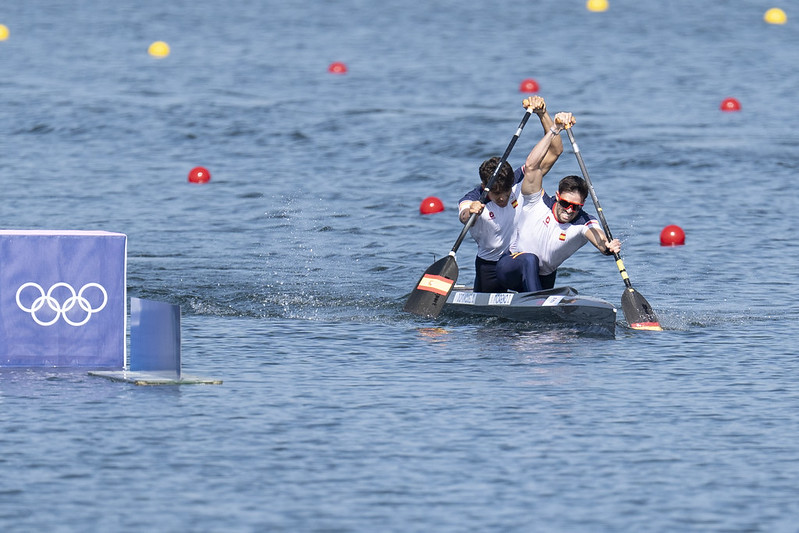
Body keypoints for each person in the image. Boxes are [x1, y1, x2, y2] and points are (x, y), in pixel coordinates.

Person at [494, 112, 621, 293]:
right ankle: (537, 305)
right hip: (510, 267)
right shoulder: (536, 200)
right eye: (565, 203)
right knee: (530, 259)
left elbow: (599, 239)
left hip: (543, 277)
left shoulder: (584, 223)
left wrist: (608, 247)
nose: (569, 210)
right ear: (557, 196)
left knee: (540, 272)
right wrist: (555, 129)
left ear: (583, 204)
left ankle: (537, 304)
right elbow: (531, 165)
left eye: (576, 207)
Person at [457, 96, 564, 292]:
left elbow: (556, 151)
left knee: (531, 260)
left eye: (506, 192)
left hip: (518, 260)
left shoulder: (516, 181)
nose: (503, 198)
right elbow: (464, 217)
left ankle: (537, 306)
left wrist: (543, 114)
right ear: (484, 185)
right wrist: (471, 212)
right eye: (496, 194)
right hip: (488, 267)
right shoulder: (472, 199)